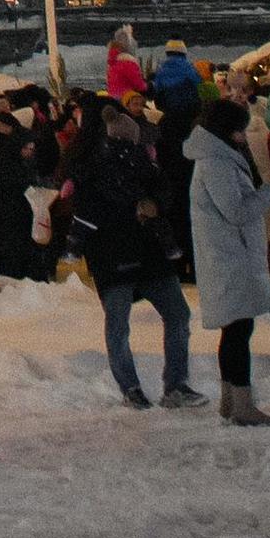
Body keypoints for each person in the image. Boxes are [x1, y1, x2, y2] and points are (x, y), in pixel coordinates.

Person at [60, 99, 195, 409]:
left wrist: (155, 205)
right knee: (124, 321)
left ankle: (166, 385)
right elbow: (84, 207)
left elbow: (162, 188)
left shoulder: (133, 157)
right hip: (116, 250)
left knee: (168, 315)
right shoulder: (88, 161)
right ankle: (143, 386)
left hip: (136, 249)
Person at [185, 95, 270, 426]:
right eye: (240, 129)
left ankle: (232, 400)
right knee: (239, 329)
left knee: (237, 328)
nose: (244, 135)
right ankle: (241, 403)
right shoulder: (216, 162)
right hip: (229, 257)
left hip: (227, 256)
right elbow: (236, 211)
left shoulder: (216, 158)